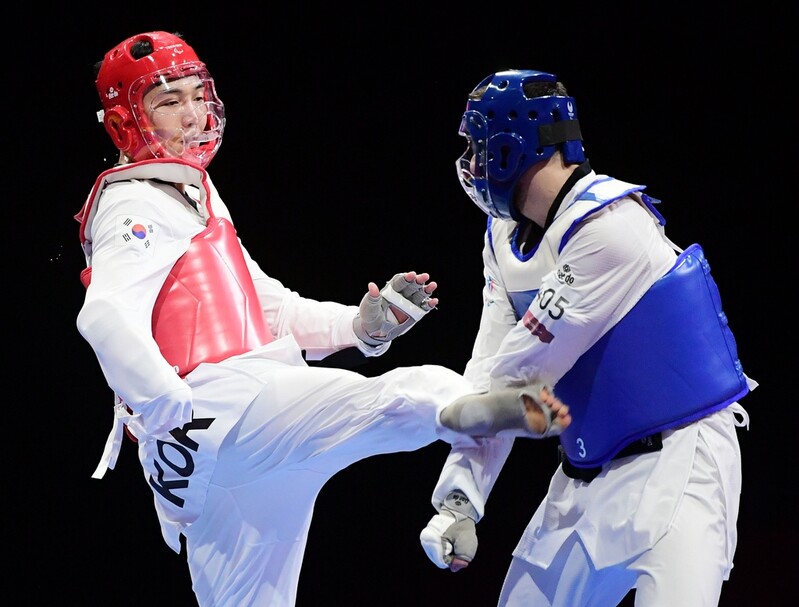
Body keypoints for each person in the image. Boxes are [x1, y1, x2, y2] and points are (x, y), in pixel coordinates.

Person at [74, 34, 572, 607]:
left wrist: (359, 328)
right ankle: (457, 404)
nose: (192, 114)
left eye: (196, 95)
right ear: (125, 121)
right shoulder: (131, 204)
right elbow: (104, 315)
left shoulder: (189, 192)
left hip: (206, 463)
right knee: (392, 397)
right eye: (169, 101)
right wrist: (168, 407)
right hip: (225, 409)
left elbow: (267, 307)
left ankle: (453, 406)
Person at [419, 69, 757, 606]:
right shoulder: (501, 240)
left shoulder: (611, 227)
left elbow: (517, 375)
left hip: (682, 462)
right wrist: (460, 498)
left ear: (510, 147)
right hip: (584, 473)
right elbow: (489, 373)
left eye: (477, 147)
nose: (471, 164)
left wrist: (438, 410)